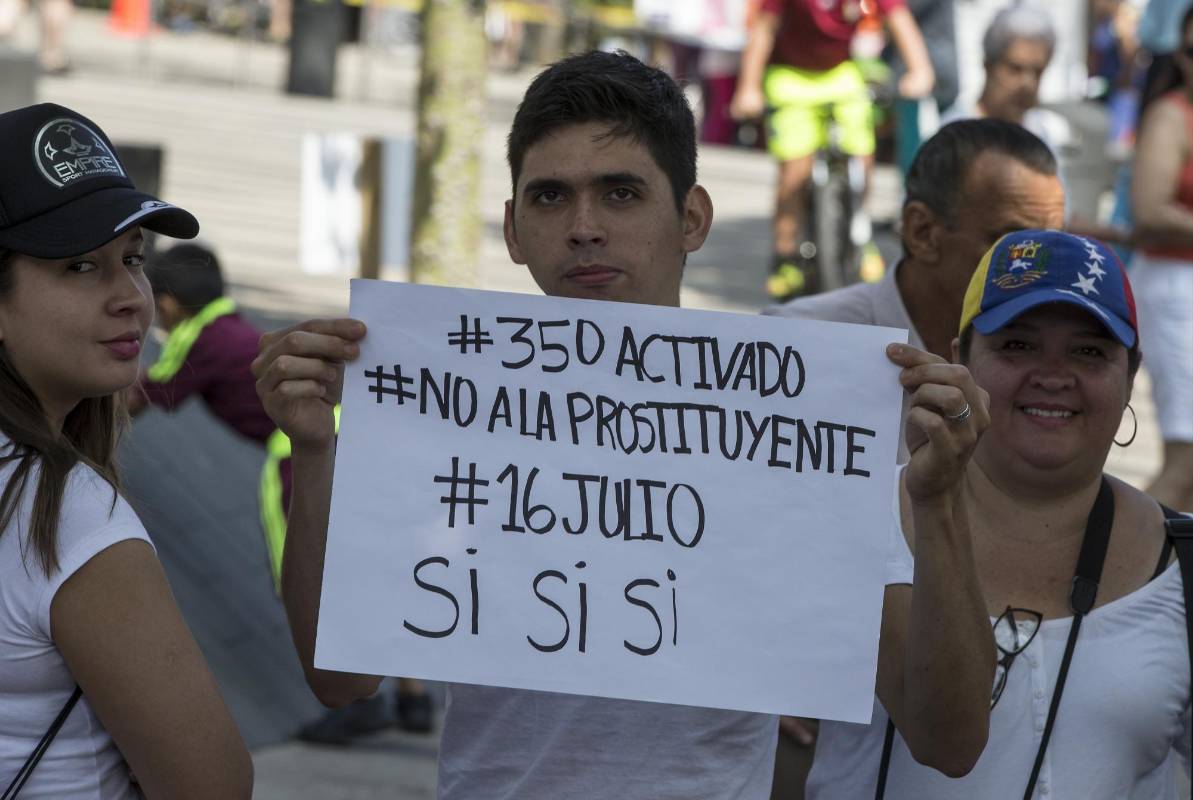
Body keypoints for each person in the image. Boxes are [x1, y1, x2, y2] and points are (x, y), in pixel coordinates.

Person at [253, 50, 996, 798]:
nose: (582, 228)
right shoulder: (444, 415)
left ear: (692, 219)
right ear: (512, 230)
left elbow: (948, 738)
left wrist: (937, 506)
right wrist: (314, 450)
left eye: (620, 193)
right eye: (549, 197)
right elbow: (340, 678)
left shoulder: (787, 429)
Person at [806, 229, 1191, 798]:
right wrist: (934, 500)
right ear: (959, 360)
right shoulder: (852, 523)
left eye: (1089, 350)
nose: (1053, 375)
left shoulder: (1180, 562)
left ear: (1132, 375)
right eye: (1017, 345)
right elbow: (945, 742)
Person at [0, 103, 251, 797]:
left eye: (133, 260)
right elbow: (213, 786)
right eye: (81, 266)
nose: (132, 298)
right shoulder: (68, 517)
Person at [130, 242, 436, 740]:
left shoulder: (197, 338)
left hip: (299, 453)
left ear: (166, 304)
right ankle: (413, 696)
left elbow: (139, 397)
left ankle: (360, 703)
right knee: (375, 562)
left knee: (306, 575)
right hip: (357, 436)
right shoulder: (233, 325)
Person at [766, 119, 1064, 363]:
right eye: (1017, 247)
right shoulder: (794, 343)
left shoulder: (1058, 363)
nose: (1041, 272)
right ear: (922, 232)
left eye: (1053, 247)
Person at [730, 0, 935, 300]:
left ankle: (859, 233)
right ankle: (785, 254)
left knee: (862, 152)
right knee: (794, 171)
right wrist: (748, 87)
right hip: (790, 76)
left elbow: (899, 19)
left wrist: (919, 70)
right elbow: (763, 31)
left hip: (840, 74)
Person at [1131, 3, 1193, 512]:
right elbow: (1150, 209)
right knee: (1185, 461)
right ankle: (1105, 579)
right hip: (1175, 289)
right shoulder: (1173, 114)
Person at [941, 4, 1070, 155]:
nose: (1027, 84)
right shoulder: (953, 138)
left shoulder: (1040, 135)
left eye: (1037, 72)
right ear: (988, 66)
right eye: (1015, 69)